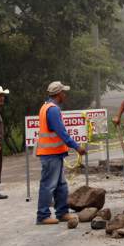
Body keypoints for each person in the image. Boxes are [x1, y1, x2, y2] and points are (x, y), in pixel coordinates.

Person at [35, 81, 86, 225]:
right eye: (63, 92)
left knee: (61, 185)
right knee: (48, 185)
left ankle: (62, 212)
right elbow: (62, 133)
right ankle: (43, 215)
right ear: (58, 94)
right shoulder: (53, 110)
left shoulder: (47, 107)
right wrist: (77, 147)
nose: (65, 94)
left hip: (54, 153)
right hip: (50, 154)